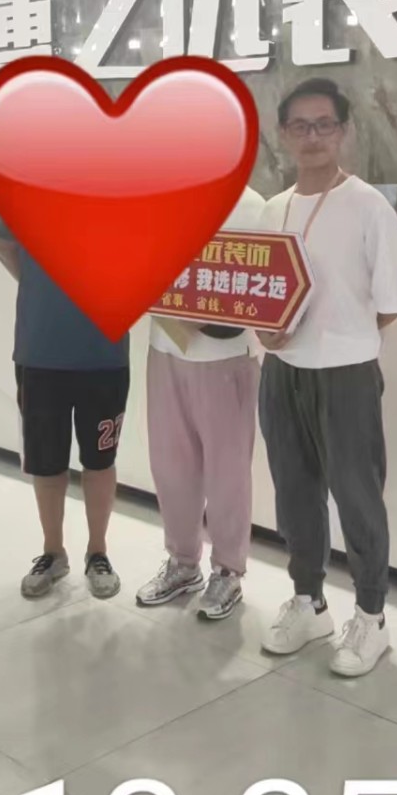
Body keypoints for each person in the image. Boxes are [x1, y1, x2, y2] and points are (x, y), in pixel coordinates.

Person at [255, 77, 397, 677]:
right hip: (282, 373)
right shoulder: (274, 209)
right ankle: (309, 602)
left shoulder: (369, 207)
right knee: (294, 493)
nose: (312, 136)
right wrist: (268, 334)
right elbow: (264, 292)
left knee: (357, 497)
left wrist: (340, 338)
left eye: (324, 124)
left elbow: (389, 305)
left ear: (343, 131)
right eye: (300, 125)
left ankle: (371, 617)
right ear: (283, 134)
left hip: (346, 375)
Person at [137, 184, 266, 620]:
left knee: (228, 473)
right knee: (170, 465)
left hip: (225, 358)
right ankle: (182, 562)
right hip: (165, 349)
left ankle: (228, 570)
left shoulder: (252, 208)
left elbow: (259, 286)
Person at [0, 217, 130, 600]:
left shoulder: (124, 193)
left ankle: (98, 552)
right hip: (41, 349)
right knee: (46, 460)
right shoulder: (22, 190)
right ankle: (53, 552)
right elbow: (6, 249)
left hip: (104, 351)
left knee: (100, 459)